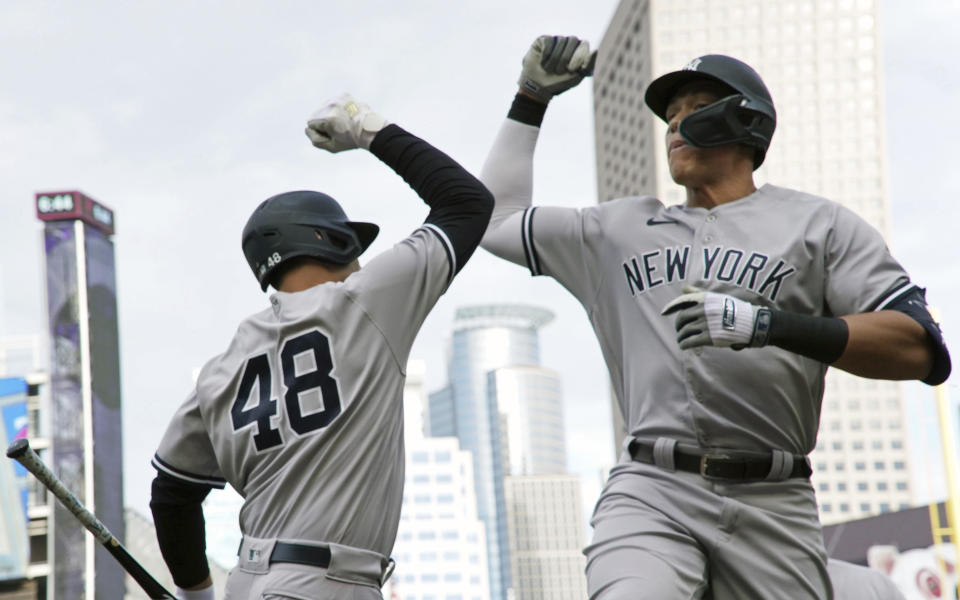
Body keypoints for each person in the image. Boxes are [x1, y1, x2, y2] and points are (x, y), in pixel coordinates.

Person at [479, 36, 951, 599]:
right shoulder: (617, 230)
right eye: (670, 117)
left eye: (695, 109)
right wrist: (531, 97)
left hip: (774, 500)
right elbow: (494, 219)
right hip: (653, 486)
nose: (675, 126)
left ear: (747, 123)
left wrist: (768, 325)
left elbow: (917, 348)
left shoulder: (819, 224)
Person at [149, 94, 493, 599]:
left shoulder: (220, 369)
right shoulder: (364, 301)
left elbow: (172, 494)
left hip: (250, 581)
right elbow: (468, 202)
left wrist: (196, 595)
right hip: (325, 582)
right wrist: (369, 130)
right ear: (329, 242)